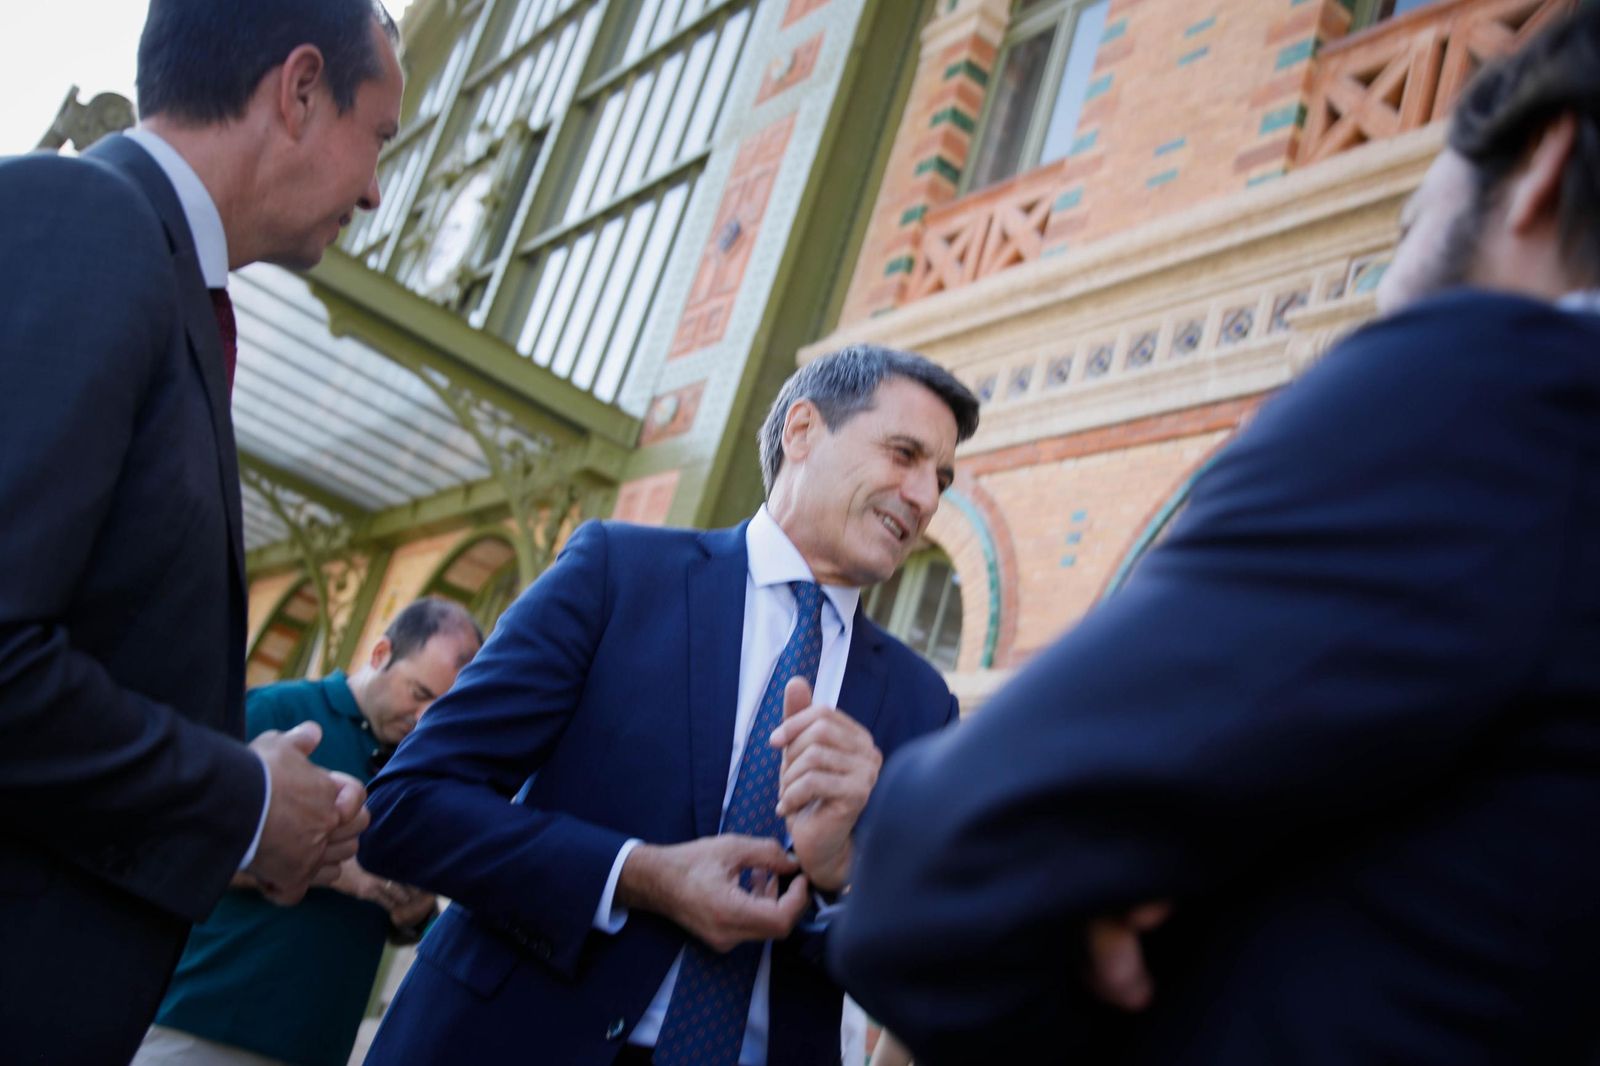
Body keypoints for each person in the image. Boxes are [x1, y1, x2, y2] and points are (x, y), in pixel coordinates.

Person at [832, 7, 1600, 1065]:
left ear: (1543, 166)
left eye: (1410, 221)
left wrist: (1128, 907)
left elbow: (936, 872)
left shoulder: (1491, 394)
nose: (1387, 284)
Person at [356, 346, 980, 1066]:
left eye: (940, 479)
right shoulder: (616, 573)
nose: (925, 497)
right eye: (904, 454)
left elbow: (923, 966)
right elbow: (405, 806)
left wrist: (843, 874)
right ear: (803, 431)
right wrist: (637, 874)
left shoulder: (924, 704)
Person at [0, 1, 404, 1060]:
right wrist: (244, 797)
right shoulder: (86, 223)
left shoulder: (156, 268)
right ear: (300, 89)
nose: (375, 189)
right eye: (379, 136)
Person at [134, 598, 483, 1066]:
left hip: (319, 1048)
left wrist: (414, 913)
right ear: (380, 654)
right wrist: (334, 870)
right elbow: (171, 845)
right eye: (419, 693)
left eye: (441, 709)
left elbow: (401, 918)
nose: (424, 719)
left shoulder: (423, 770)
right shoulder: (276, 709)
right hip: (202, 1025)